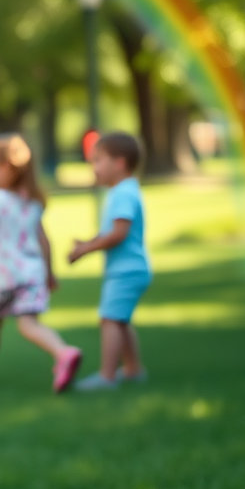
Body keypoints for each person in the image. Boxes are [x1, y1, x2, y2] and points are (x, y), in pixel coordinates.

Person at [0, 133, 82, 393]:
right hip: (33, 273)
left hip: (5, 276)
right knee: (29, 324)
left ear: (4, 167)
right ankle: (62, 351)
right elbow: (45, 241)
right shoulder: (32, 202)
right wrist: (50, 274)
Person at [67, 130, 152, 390]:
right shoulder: (122, 191)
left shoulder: (123, 193)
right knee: (120, 320)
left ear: (120, 163)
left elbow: (118, 233)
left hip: (127, 271)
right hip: (128, 270)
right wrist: (89, 242)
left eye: (98, 161)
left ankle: (107, 376)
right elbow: (112, 231)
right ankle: (134, 369)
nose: (94, 168)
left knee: (110, 319)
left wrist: (86, 250)